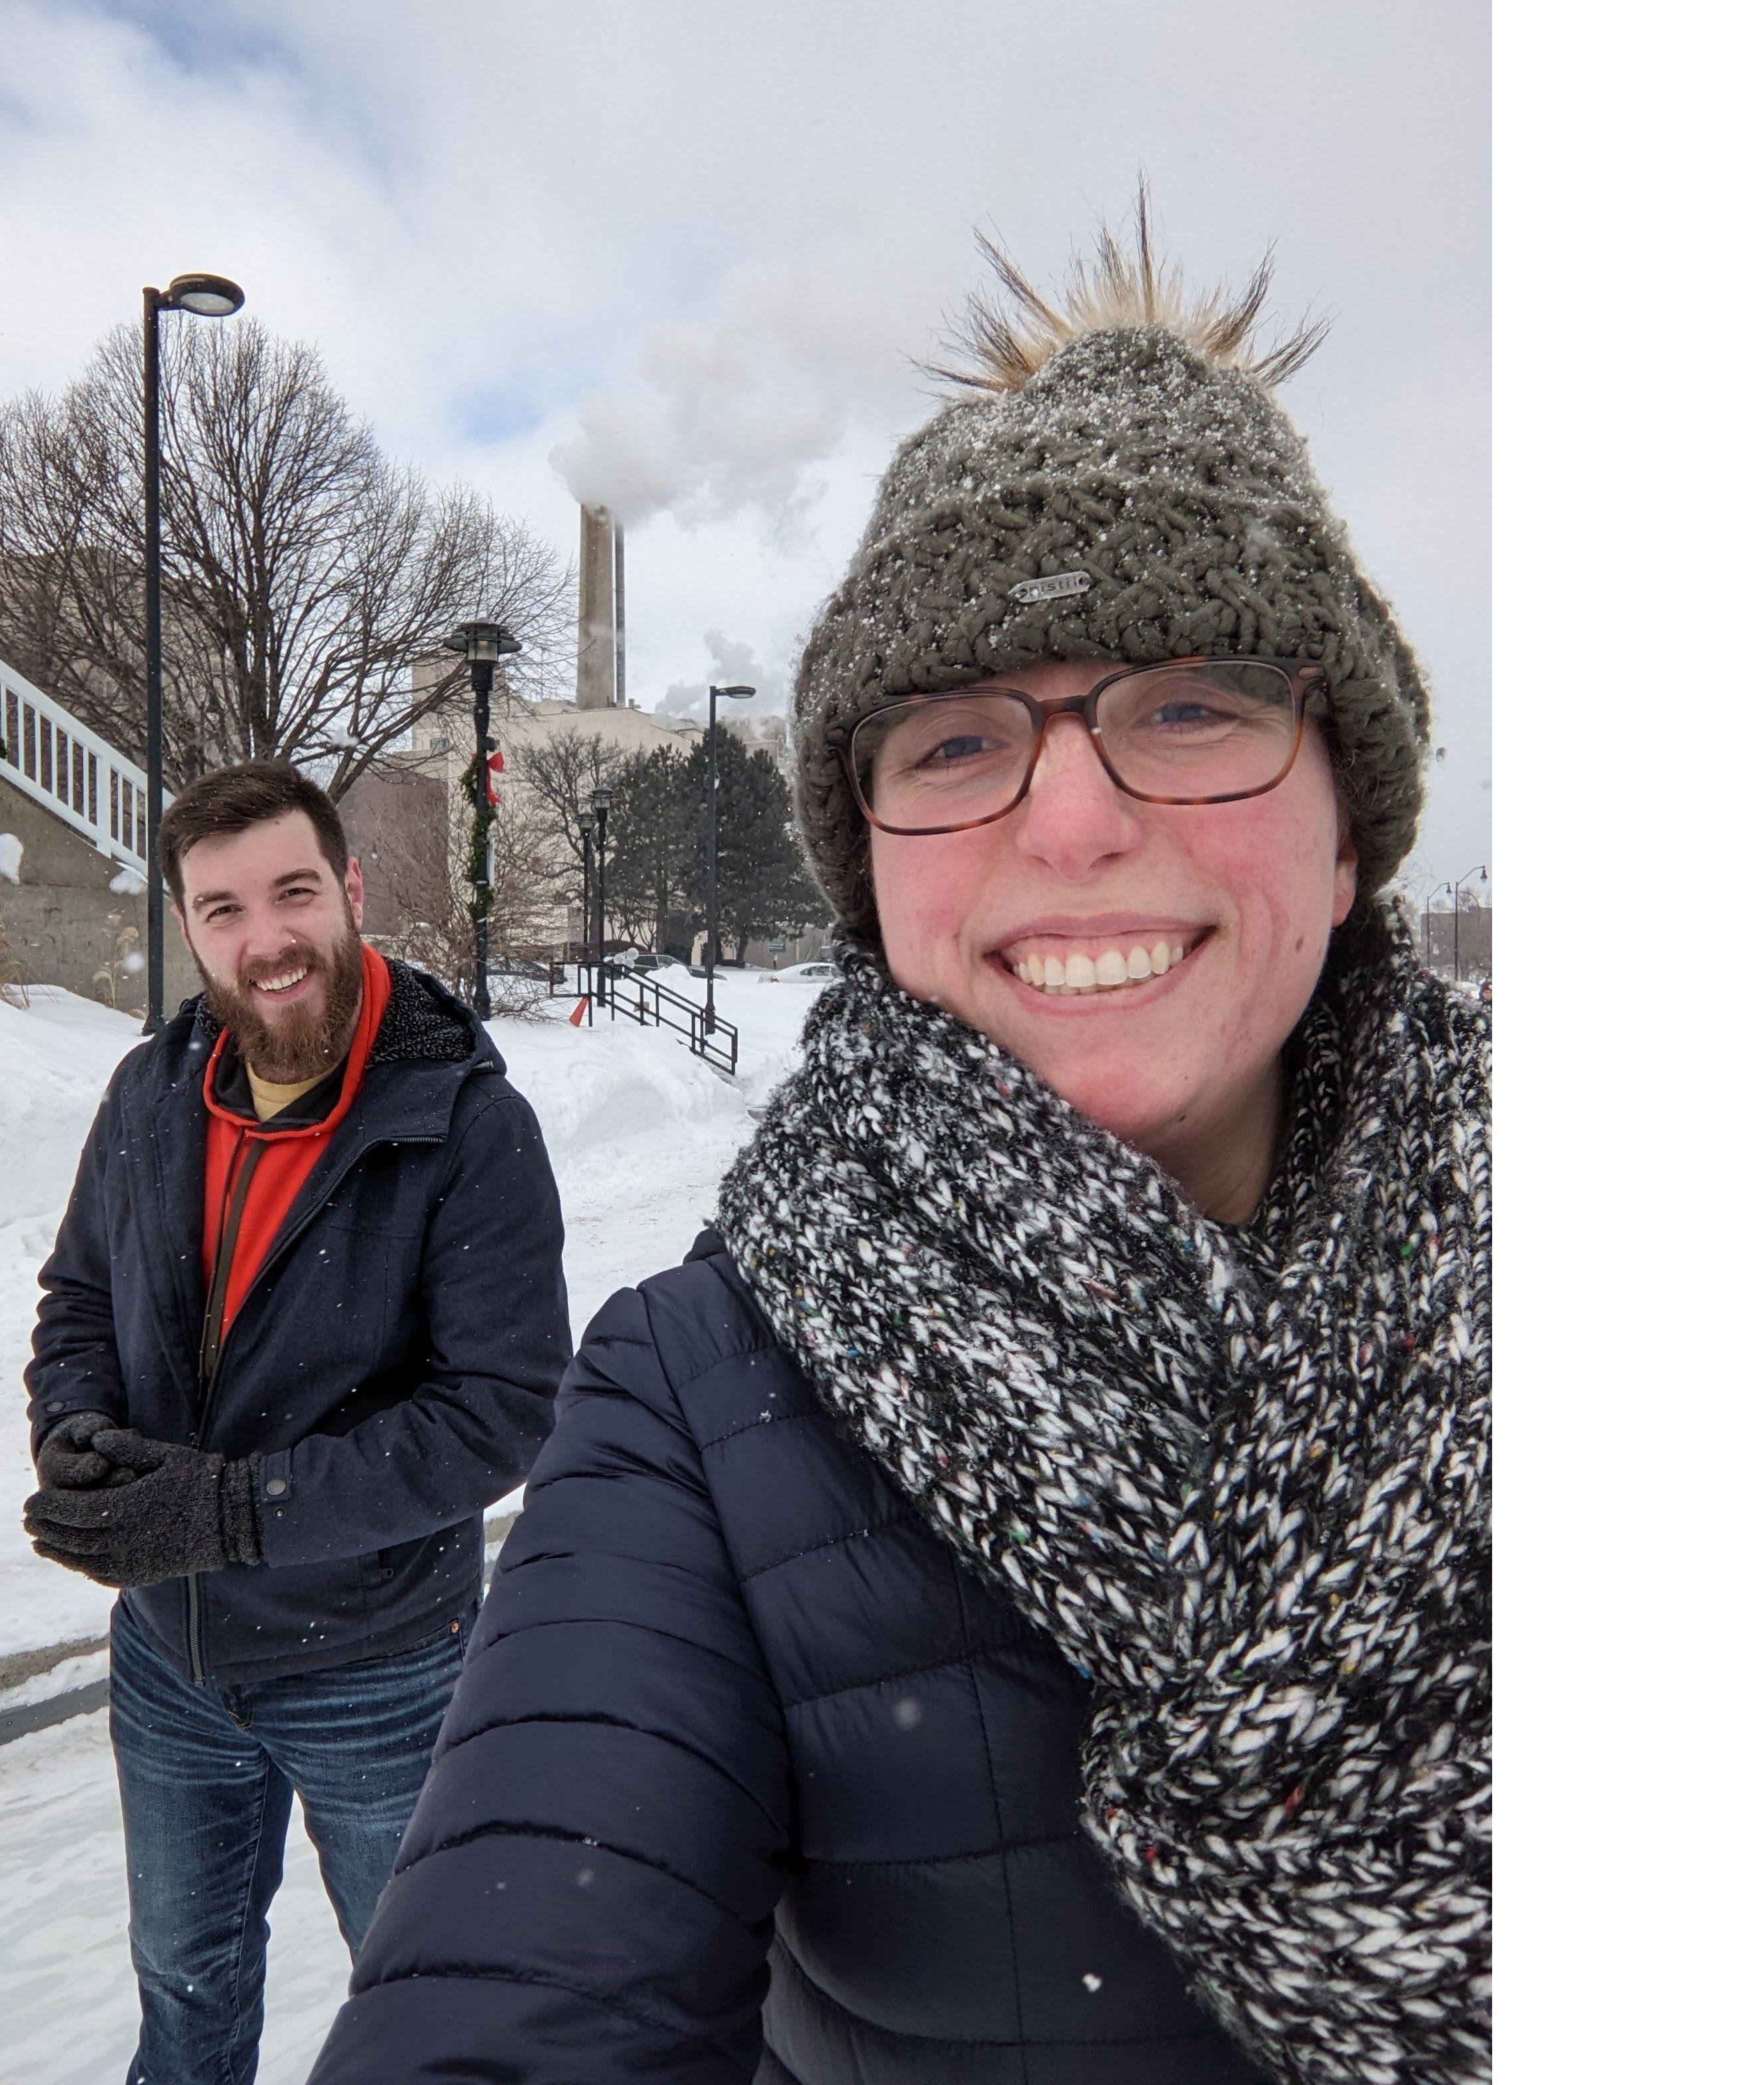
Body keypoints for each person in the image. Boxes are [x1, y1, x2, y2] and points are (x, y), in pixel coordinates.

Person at [308, 214, 1489, 2085]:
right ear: (874, 873)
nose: (1078, 819)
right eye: (955, 739)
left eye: (1191, 703)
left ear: (1355, 828)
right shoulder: (696, 1411)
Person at [21, 758, 570, 2084]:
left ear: (352, 891)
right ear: (189, 927)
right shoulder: (152, 1095)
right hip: (170, 1663)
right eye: (222, 910)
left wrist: (226, 1511)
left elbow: (500, 1413)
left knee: (440, 2009)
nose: (265, 942)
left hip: (379, 1667)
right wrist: (74, 1432)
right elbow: (80, 1294)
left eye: (293, 894)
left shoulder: (468, 1125)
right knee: (185, 1992)